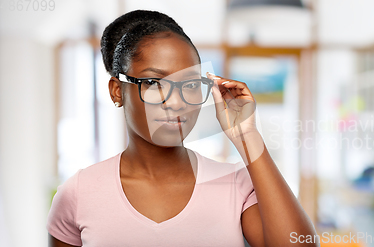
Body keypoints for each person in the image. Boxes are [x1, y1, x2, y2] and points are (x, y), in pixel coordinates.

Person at [47, 9, 317, 247]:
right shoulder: (78, 193)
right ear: (117, 91)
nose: (175, 102)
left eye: (189, 84)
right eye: (154, 83)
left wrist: (248, 136)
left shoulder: (236, 185)